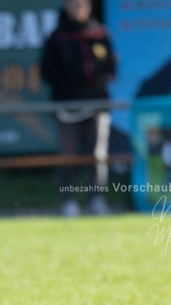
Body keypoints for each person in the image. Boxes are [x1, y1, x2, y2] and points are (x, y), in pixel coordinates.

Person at [40, 0, 117, 217]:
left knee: (97, 154)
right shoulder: (57, 36)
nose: (78, 8)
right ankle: (69, 201)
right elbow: (48, 71)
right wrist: (72, 87)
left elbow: (110, 65)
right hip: (68, 104)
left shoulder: (100, 32)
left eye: (82, 4)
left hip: (97, 103)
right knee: (69, 154)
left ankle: (97, 199)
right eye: (74, 4)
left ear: (90, 6)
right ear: (66, 7)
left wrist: (99, 83)